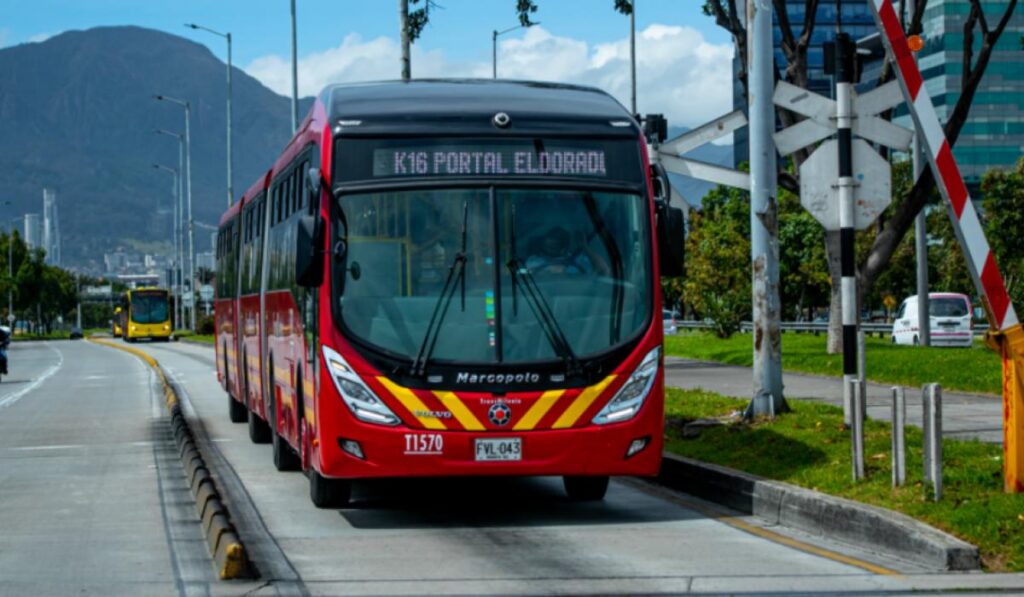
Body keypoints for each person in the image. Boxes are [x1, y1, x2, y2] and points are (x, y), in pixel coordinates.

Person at [525, 226, 609, 276]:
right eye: (551, 238)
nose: (553, 244)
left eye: (558, 241)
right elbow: (528, 279)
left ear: (565, 245)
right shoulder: (534, 261)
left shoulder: (579, 260)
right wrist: (549, 271)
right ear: (544, 243)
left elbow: (604, 270)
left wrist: (584, 246)